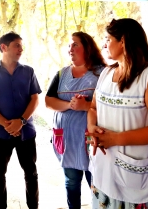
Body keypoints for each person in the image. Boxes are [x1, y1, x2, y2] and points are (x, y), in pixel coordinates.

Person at [86, 18, 148, 209]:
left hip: (137, 176)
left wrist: (116, 139)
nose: (104, 44)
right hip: (104, 170)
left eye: (108, 39)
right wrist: (92, 128)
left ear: (123, 41)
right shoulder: (105, 74)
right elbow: (93, 108)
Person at [0, 32, 41, 209]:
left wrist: (20, 121)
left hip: (26, 132)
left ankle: (33, 206)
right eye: (17, 45)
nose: (21, 49)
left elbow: (35, 99)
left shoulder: (28, 71)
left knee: (31, 173)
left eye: (21, 45)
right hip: (0, 134)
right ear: (3, 47)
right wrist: (7, 124)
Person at [45, 32, 106, 208]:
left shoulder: (102, 73)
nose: (70, 49)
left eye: (75, 44)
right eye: (69, 45)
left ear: (87, 47)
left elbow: (111, 106)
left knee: (96, 183)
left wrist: (85, 106)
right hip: (67, 139)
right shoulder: (61, 73)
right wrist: (70, 105)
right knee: (71, 182)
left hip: (91, 138)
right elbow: (49, 101)